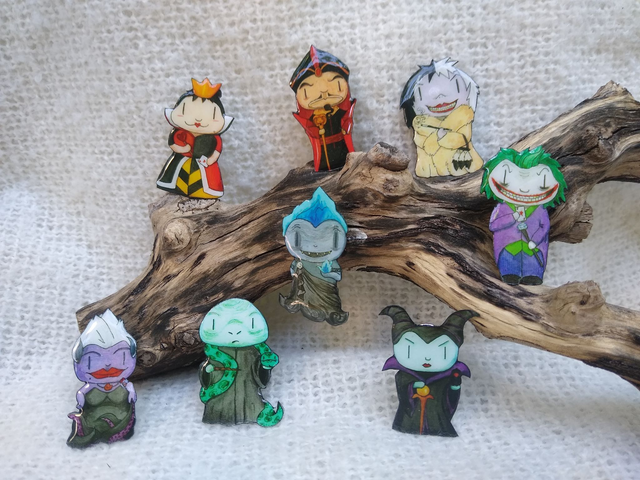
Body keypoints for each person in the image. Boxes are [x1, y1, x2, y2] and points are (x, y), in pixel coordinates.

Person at [400, 58, 482, 178]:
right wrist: (438, 136)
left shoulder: (464, 116)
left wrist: (444, 137)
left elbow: (463, 138)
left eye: (453, 89)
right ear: (413, 104)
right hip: (430, 171)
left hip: (463, 166)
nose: (440, 96)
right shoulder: (421, 125)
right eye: (426, 95)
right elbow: (427, 147)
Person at [156, 78, 233, 198]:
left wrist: (210, 160)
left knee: (205, 183)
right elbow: (173, 144)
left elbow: (216, 152)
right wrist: (182, 149)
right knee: (177, 177)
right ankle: (177, 187)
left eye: (212, 115)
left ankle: (203, 192)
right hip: (182, 161)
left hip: (204, 165)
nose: (198, 120)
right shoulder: (178, 133)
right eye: (184, 110)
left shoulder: (215, 139)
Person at [290, 46, 356, 171]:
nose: (324, 93)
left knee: (347, 164)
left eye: (336, 84)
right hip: (323, 151)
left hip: (342, 146)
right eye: (308, 91)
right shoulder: (311, 119)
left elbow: (347, 124)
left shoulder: (342, 112)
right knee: (324, 167)